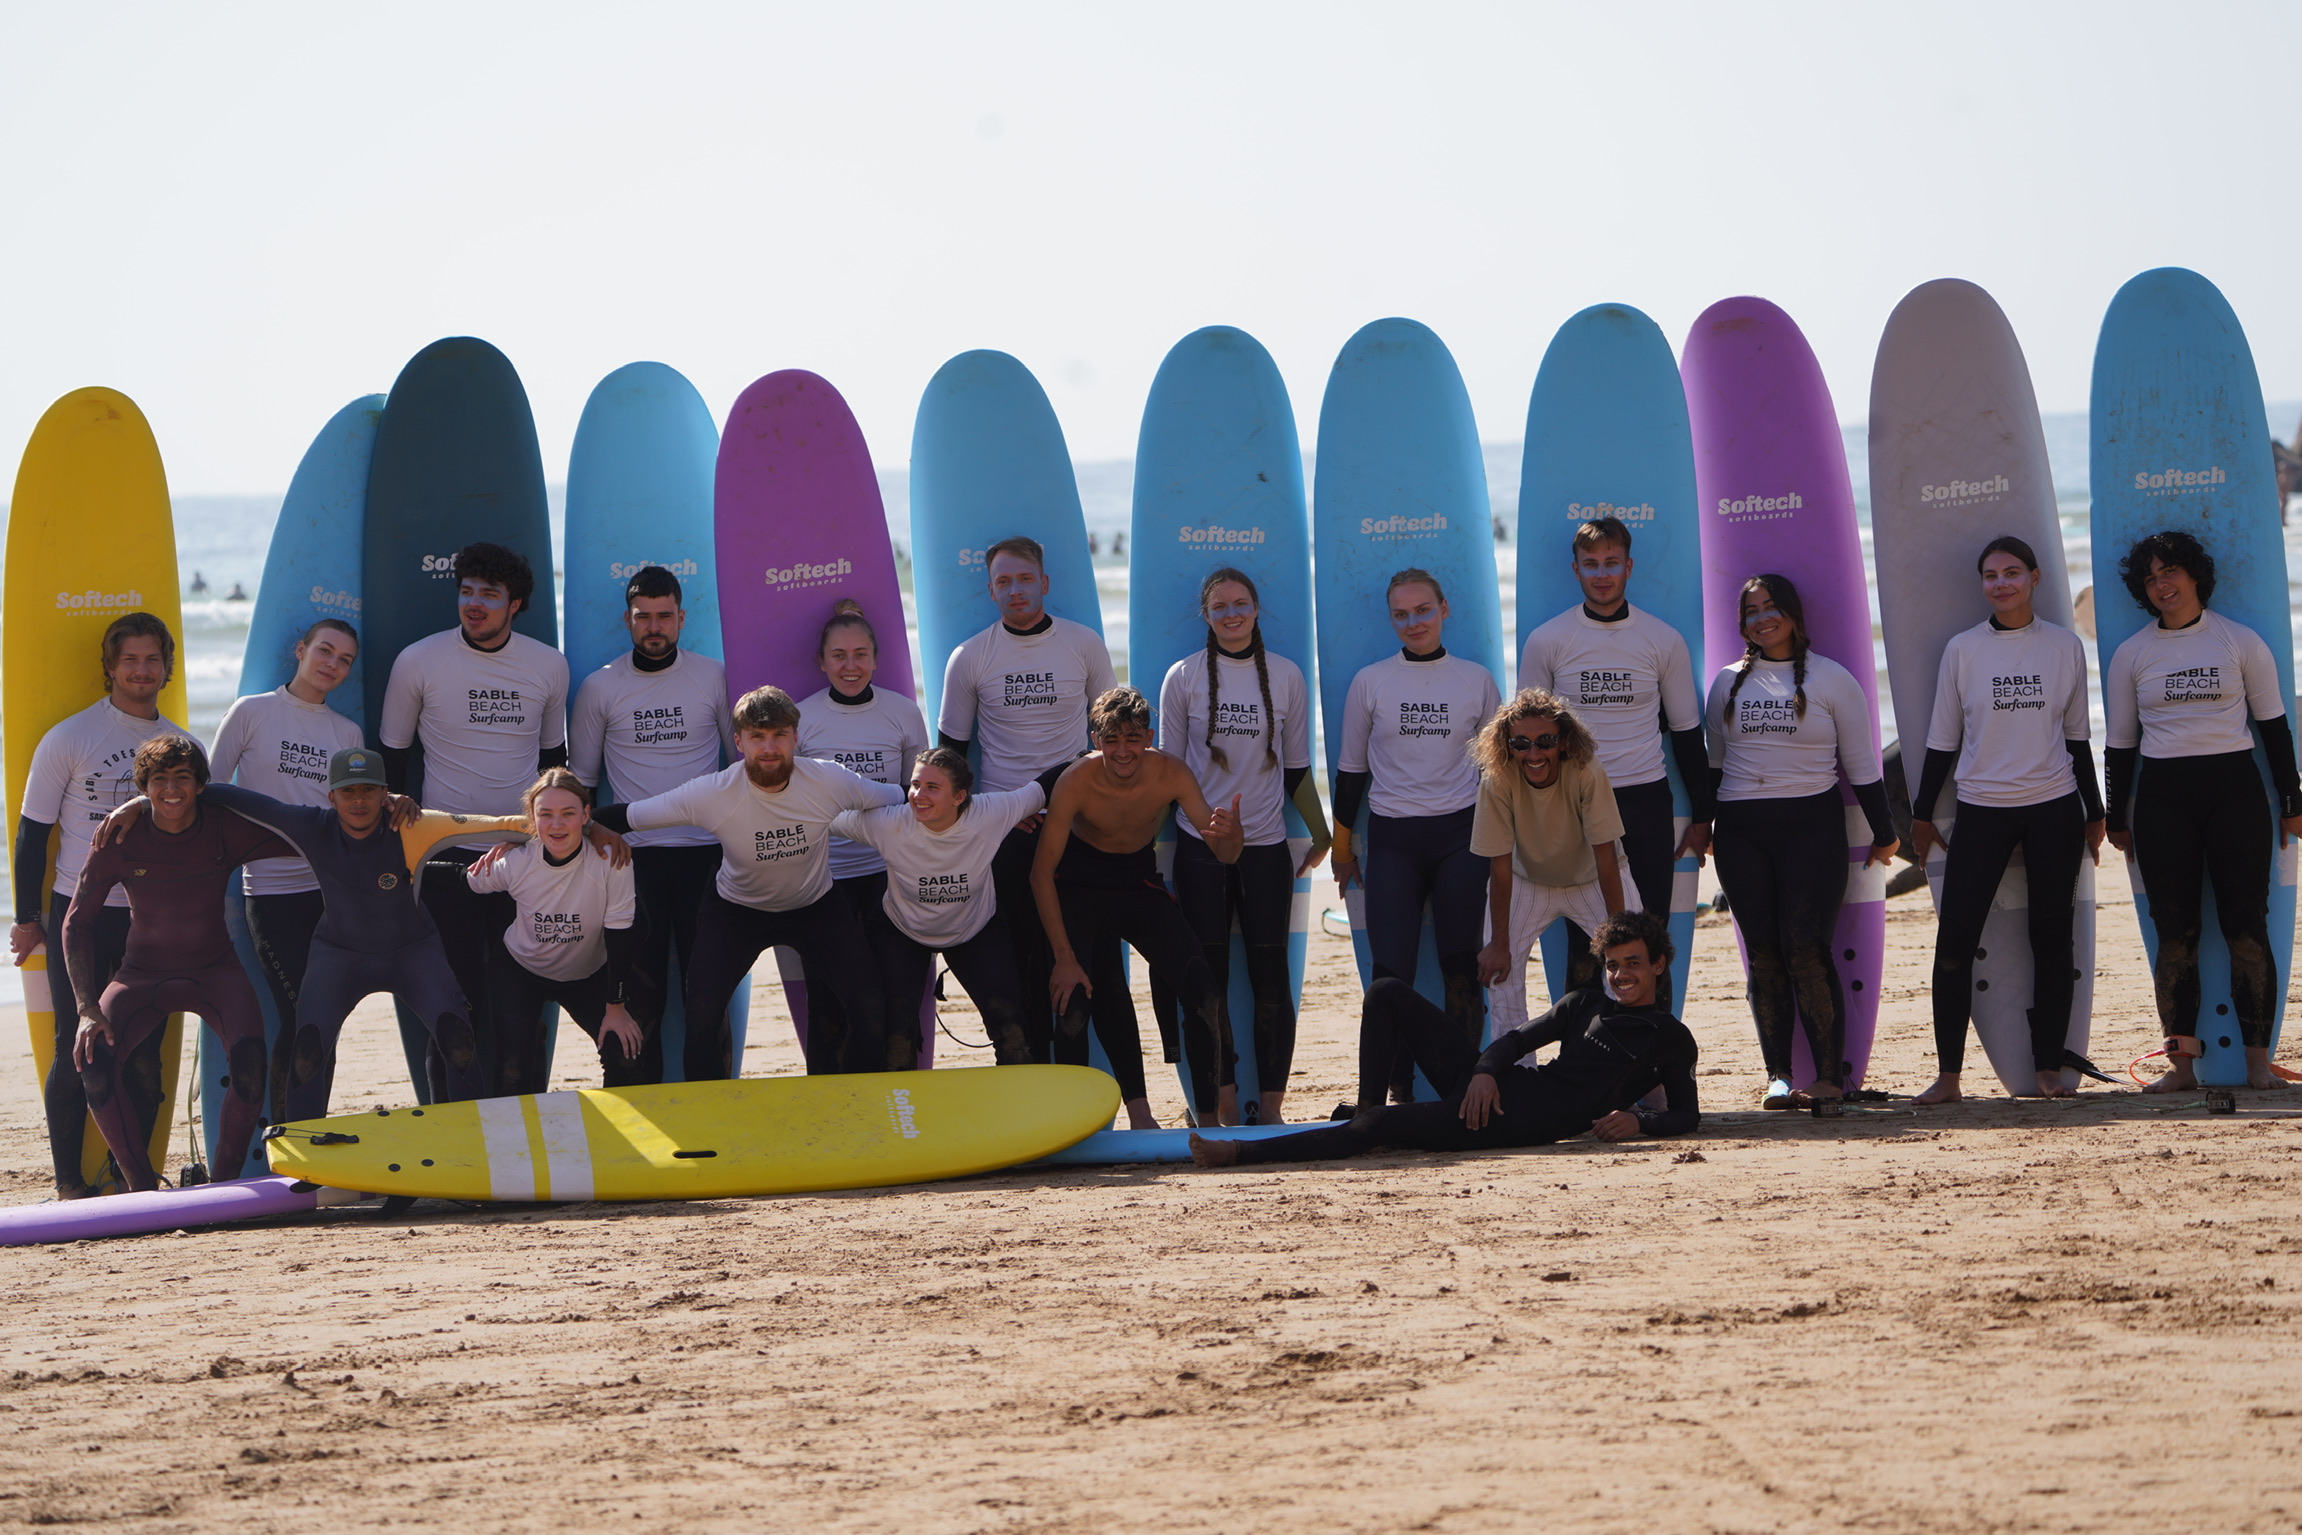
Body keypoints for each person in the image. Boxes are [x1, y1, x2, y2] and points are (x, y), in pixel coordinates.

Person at [95, 746, 565, 1115]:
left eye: (368, 790)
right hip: (340, 955)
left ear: (385, 794)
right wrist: (143, 800)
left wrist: (587, 828)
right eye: (348, 791)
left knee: (458, 1038)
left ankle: (471, 1140)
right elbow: (226, 794)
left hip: (412, 951)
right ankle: (302, 1151)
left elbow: (504, 825)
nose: (358, 801)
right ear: (331, 796)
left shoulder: (415, 826)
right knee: (307, 1048)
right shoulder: (311, 826)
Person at [1189, 908, 1697, 1167]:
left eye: (1633, 964)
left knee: (1379, 1128)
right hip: (1496, 1089)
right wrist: (1484, 1072)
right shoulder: (1584, 1003)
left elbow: (1686, 1114)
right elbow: (1516, 1042)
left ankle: (1239, 1153)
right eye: (1613, 965)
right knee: (1386, 992)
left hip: (1513, 1122)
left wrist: (1639, 1120)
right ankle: (1366, 1107)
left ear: (1658, 965)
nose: (1620, 975)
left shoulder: (1671, 1037)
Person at [591, 686, 904, 1079]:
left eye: (779, 735)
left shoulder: (829, 779)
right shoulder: (713, 792)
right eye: (757, 736)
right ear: (738, 742)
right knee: (702, 1013)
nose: (769, 748)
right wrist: (587, 826)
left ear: (796, 738)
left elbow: (901, 797)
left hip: (816, 907)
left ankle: (863, 1098)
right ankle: (710, 1105)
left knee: (869, 1004)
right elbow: (630, 815)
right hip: (737, 912)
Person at [2102, 529, 2302, 1093]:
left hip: (2236, 795)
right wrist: (2116, 818)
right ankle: (2182, 1067)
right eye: (2150, 578)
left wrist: (2292, 803)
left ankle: (2257, 1063)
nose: (2161, 584)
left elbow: (2275, 730)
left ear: (2194, 575)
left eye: (2170, 571)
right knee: (2175, 935)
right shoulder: (2133, 653)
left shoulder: (2239, 642)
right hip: (2163, 801)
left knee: (2245, 928)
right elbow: (2119, 745)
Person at [1908, 537, 2105, 1103]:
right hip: (1982, 809)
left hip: (2053, 808)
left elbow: (2077, 738)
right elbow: (1942, 740)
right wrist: (1922, 814)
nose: (2001, 584)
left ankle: (2048, 1069)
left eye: (2012, 572)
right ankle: (1949, 1076)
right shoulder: (1963, 649)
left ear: (2035, 578)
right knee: (1955, 942)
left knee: (2052, 940)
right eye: (1991, 575)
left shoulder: (2064, 646)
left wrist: (2094, 811)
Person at [1704, 574, 1899, 1114]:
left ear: (1793, 613)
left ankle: (1830, 1079)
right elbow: (1714, 766)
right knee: (1764, 954)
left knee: (1807, 951)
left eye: (1771, 606)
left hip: (1811, 827)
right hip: (1741, 829)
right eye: (1751, 610)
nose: (1762, 618)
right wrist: (1702, 826)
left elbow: (1861, 765)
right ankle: (1779, 1077)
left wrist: (1885, 833)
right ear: (1742, 623)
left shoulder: (1831, 679)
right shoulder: (1727, 683)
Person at [378, 541, 570, 1088]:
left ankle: (522, 1114)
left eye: (490, 594)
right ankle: (452, 1123)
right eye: (466, 592)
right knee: (452, 1005)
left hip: (523, 855)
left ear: (516, 604)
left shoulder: (548, 666)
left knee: (520, 1003)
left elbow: (552, 763)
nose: (474, 603)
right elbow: (392, 757)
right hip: (445, 858)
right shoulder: (418, 661)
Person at [9, 612, 187, 1198]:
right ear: (110, 667)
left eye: (152, 659)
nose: (141, 670)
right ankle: (68, 1183)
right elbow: (33, 833)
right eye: (129, 659)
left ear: (166, 667)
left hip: (150, 919)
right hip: (77, 914)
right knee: (75, 1046)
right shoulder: (71, 737)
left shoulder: (180, 747)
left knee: (145, 1053)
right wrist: (27, 918)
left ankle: (130, 1181)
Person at [66, 738, 292, 1191]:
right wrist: (87, 1007)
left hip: (216, 972)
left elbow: (299, 834)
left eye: (182, 778)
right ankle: (141, 1188)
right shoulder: (119, 840)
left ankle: (222, 1187)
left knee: (250, 1065)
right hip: (140, 976)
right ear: (144, 787)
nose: (171, 789)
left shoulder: (224, 829)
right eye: (159, 780)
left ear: (201, 784)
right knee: (94, 1063)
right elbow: (76, 924)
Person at [1517, 516, 1712, 1006]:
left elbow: (1687, 734)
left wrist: (1703, 817)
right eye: (1591, 564)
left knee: (1649, 936)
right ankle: (1583, 1049)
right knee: (1586, 941)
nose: (1601, 574)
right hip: (1573, 805)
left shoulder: (1662, 639)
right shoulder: (1548, 640)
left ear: (1629, 566)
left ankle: (1654, 1049)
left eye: (1611, 563)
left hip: (1643, 800)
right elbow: (1528, 740)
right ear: (1576, 570)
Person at [936, 535, 1117, 1063]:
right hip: (1008, 829)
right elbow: (950, 761)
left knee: (1086, 958)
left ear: (1044, 582)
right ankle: (1030, 1074)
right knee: (1022, 962)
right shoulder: (970, 656)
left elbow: (1109, 740)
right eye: (1003, 581)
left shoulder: (1083, 644)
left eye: (1024, 579)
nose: (1015, 589)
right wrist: (995, 813)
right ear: (990, 590)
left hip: (1075, 824)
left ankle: (1079, 1075)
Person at [1032, 687, 1244, 1129]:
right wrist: (1064, 959)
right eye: (1111, 740)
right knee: (1073, 1001)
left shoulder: (1172, 773)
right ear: (1095, 740)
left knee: (1204, 992)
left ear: (1148, 738)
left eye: (1132, 739)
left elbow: (1225, 854)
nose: (1123, 751)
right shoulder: (1076, 780)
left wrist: (1234, 835)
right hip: (1079, 888)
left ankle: (1208, 1122)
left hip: (1137, 884)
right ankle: (1072, 1128)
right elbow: (1041, 874)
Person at [1156, 568, 1320, 1123]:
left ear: (1256, 609)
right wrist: (1145, 843)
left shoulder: (1288, 676)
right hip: (1198, 845)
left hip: (1265, 845)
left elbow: (1297, 768)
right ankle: (1223, 1101)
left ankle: (1271, 1108)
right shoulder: (1183, 677)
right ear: (1206, 615)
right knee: (1209, 980)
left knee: (1271, 980)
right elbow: (1169, 772)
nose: (1232, 614)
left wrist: (1326, 834)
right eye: (1220, 606)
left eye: (1241, 603)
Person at [1331, 568, 1502, 1099]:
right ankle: (1392, 1094)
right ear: (1391, 619)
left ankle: (1461, 1092)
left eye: (1423, 610)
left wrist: (1506, 845)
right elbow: (1351, 771)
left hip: (1462, 838)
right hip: (1393, 841)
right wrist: (1341, 846)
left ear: (1444, 609)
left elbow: (1498, 773)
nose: (1414, 622)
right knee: (1390, 977)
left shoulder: (1475, 679)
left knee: (1461, 970)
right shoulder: (1371, 681)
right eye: (1401, 614)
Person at [569, 565, 733, 1082]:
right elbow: (581, 785)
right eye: (644, 617)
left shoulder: (713, 677)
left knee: (706, 993)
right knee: (640, 995)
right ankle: (636, 1100)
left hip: (705, 856)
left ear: (682, 618)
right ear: (628, 620)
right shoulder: (600, 686)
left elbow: (742, 766)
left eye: (665, 616)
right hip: (632, 860)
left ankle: (712, 1101)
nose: (654, 627)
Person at [208, 618, 366, 1118]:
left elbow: (351, 816)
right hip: (272, 893)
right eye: (325, 650)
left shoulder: (346, 732)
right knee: (301, 1016)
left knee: (325, 1020)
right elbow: (209, 792)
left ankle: (308, 1130)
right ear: (301, 650)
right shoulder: (252, 712)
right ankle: (289, 1136)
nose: (332, 664)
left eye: (344, 660)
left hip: (331, 895)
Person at [830, 748, 1045, 1066]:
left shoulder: (990, 813)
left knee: (1012, 1030)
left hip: (976, 928)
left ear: (959, 797)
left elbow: (1044, 789)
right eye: (916, 785)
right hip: (901, 930)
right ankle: (901, 1099)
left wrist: (1092, 759)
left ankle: (1018, 1095)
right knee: (896, 1038)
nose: (918, 795)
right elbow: (824, 816)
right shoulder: (888, 822)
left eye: (932, 787)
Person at [797, 600, 931, 1061]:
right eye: (838, 655)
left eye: (860, 654)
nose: (850, 666)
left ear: (876, 659)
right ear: (821, 661)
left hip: (888, 874)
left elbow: (920, 796)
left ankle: (897, 1094)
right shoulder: (801, 719)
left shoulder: (903, 712)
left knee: (896, 997)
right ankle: (827, 1094)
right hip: (824, 879)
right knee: (827, 1002)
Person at [465, 770, 645, 1095]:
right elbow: (463, 880)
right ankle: (518, 1122)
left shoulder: (611, 860)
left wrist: (616, 1008)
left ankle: (617, 1123)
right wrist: (403, 877)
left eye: (568, 813)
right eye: (545, 814)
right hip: (521, 970)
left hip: (587, 974)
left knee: (624, 1053)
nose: (557, 824)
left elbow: (621, 937)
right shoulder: (517, 861)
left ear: (586, 816)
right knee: (512, 1068)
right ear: (532, 820)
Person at [1470, 691, 1628, 1035]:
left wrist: (1620, 936)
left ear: (1564, 741)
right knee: (1500, 973)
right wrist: (1499, 943)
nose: (1534, 754)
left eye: (1545, 741)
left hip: (1592, 877)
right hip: (1527, 879)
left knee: (1631, 962)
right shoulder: (1497, 778)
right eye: (1521, 744)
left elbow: (1605, 857)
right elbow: (1499, 867)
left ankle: (1631, 1060)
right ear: (1507, 745)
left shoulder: (1587, 771)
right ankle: (1515, 1065)